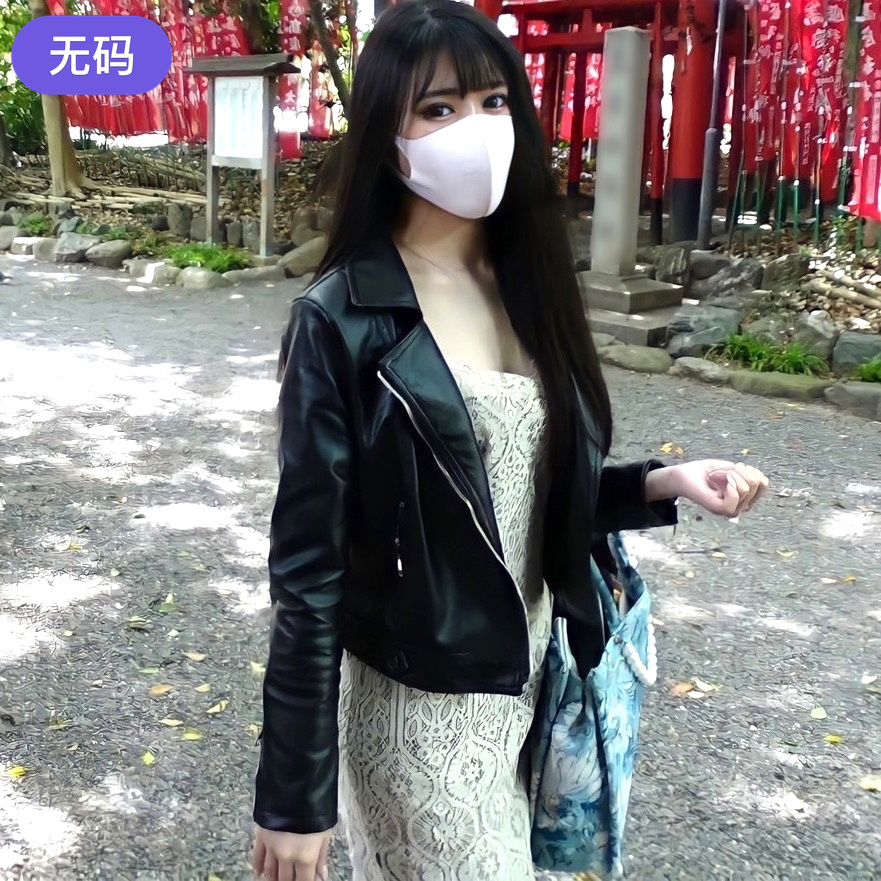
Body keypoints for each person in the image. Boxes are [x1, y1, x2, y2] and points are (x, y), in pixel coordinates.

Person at [251, 2, 769, 880]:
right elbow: (307, 572)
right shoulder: (340, 317)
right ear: (386, 139)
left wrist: (659, 483)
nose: (478, 128)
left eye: (493, 101)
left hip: (534, 684)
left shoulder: (527, 279)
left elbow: (515, 492)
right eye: (438, 108)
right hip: (422, 712)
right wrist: (293, 796)